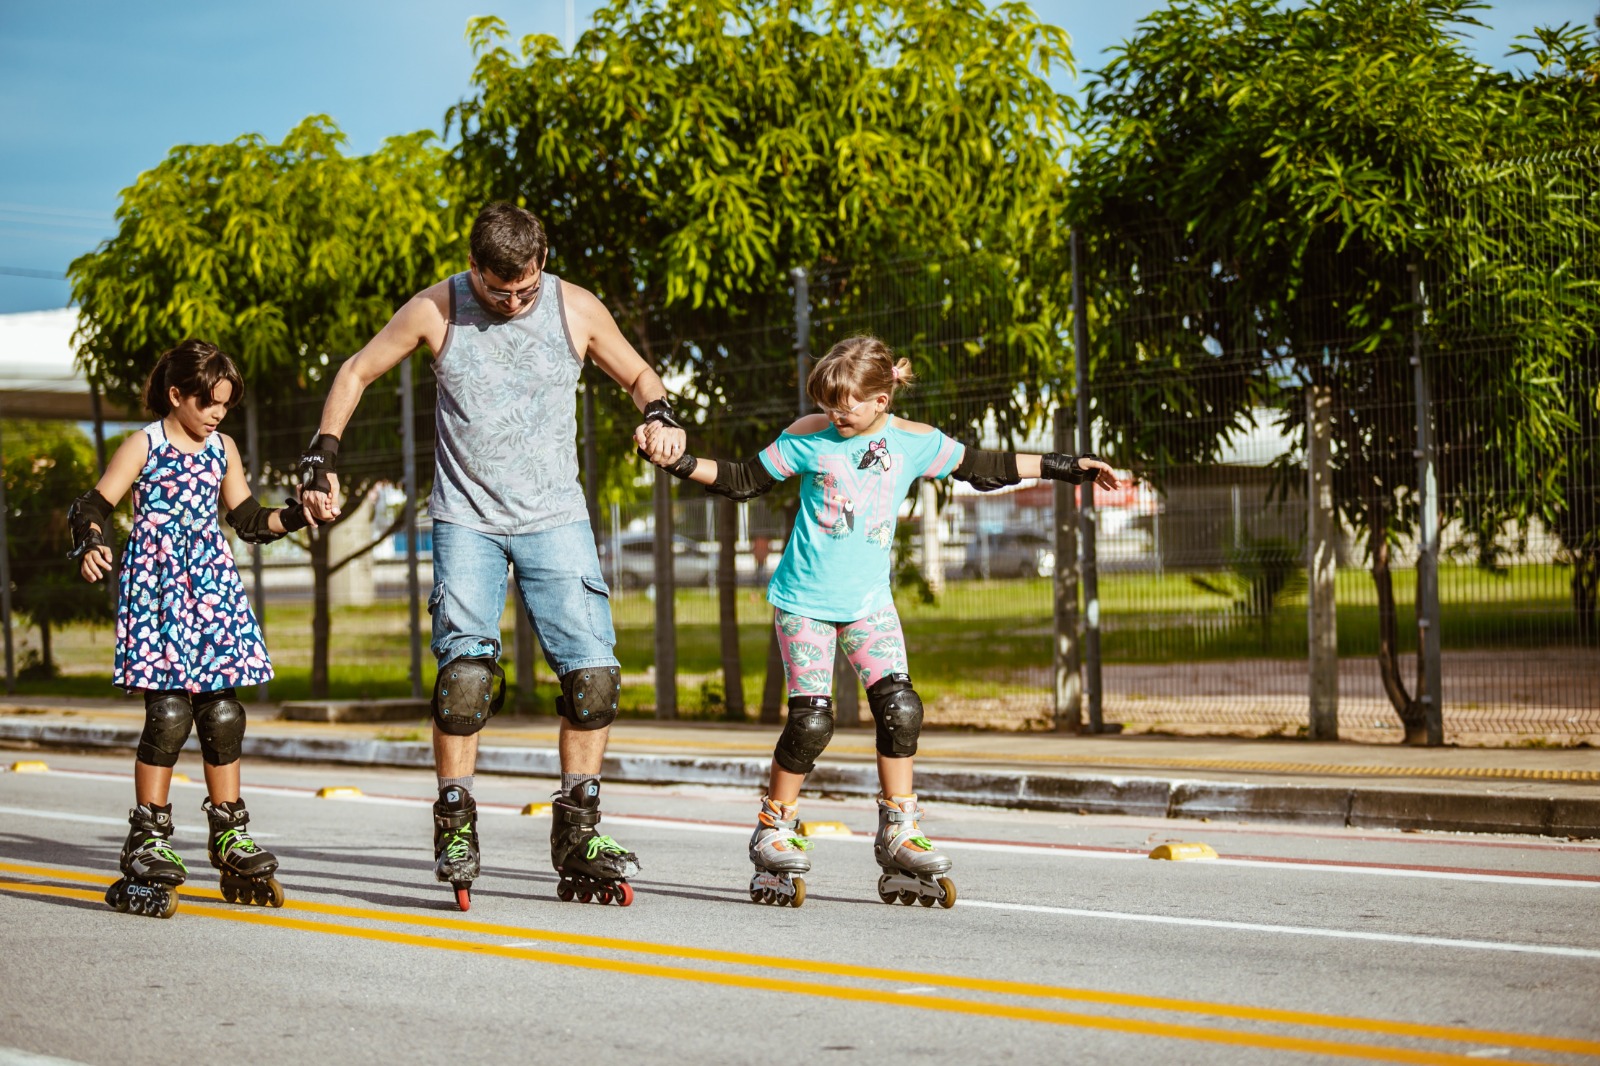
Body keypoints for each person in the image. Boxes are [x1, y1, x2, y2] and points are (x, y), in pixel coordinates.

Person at [297, 201, 686, 910]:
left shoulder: (575, 306)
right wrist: (323, 454)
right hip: (467, 519)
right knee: (466, 680)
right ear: (474, 266)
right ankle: (455, 821)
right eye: (499, 290)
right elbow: (356, 372)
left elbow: (640, 377)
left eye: (525, 290)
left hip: (555, 516)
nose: (513, 303)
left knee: (593, 678)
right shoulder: (435, 308)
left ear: (541, 264)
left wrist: (660, 419)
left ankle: (579, 830)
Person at [639, 335, 1118, 909]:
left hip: (869, 603)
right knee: (812, 722)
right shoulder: (808, 436)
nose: (835, 414)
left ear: (882, 400)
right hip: (805, 601)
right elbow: (743, 480)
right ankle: (774, 826)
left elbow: (984, 468)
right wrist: (680, 463)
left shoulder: (914, 443)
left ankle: (899, 829)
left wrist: (1068, 467)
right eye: (828, 402)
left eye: (847, 404)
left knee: (901, 708)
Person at [69, 339, 304, 918]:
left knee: (222, 713)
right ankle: (148, 836)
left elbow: (247, 519)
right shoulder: (144, 444)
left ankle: (228, 832)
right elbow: (92, 506)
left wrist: (298, 513)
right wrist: (92, 541)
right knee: (169, 715)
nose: (218, 414)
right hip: (158, 591)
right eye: (208, 403)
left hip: (212, 591)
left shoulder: (223, 449)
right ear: (176, 395)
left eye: (225, 404)